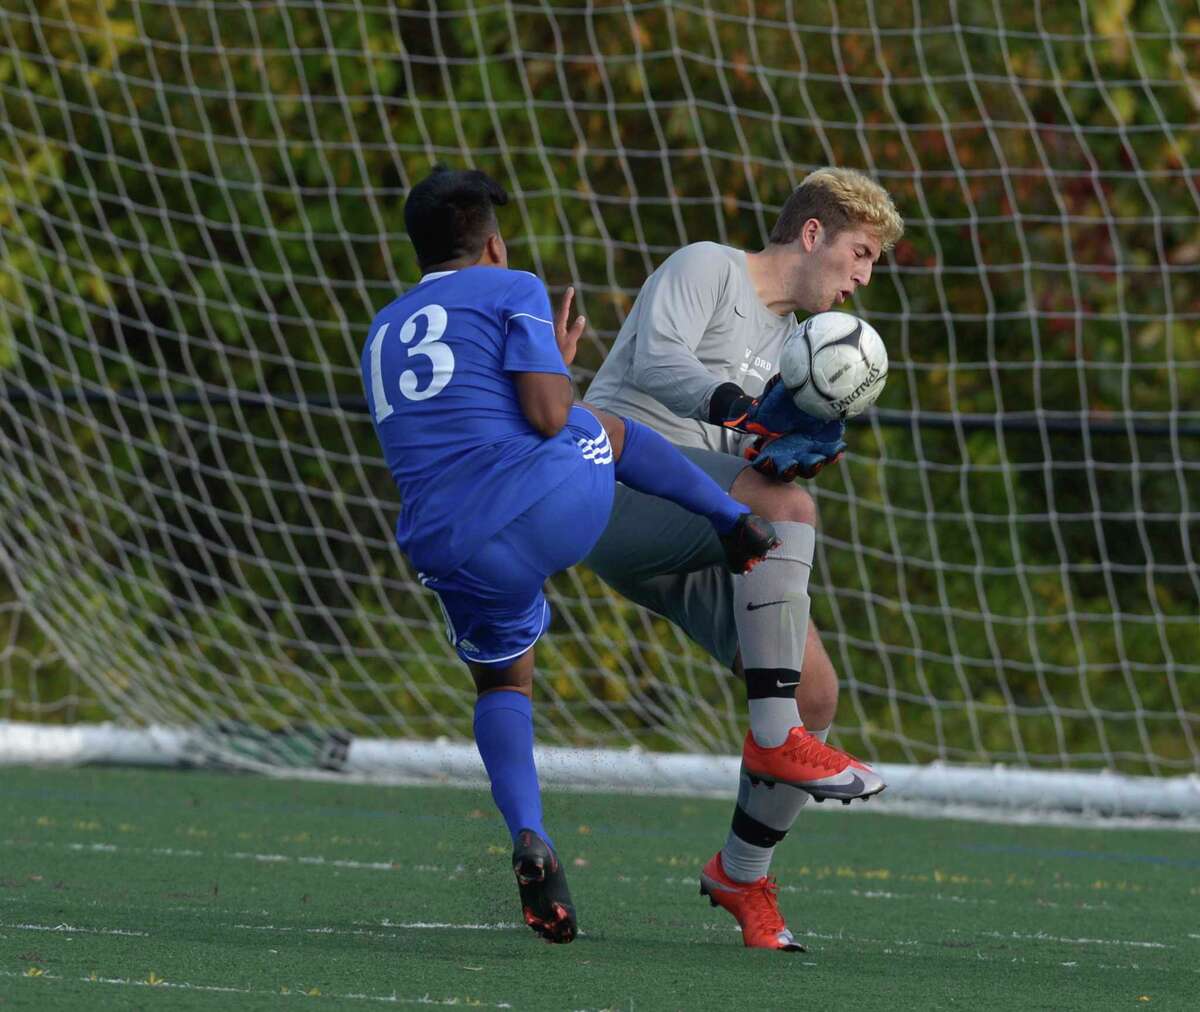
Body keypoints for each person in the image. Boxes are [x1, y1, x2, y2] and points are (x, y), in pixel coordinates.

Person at [361, 165, 780, 945]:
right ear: (494, 240)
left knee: (503, 680)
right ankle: (733, 521)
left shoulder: (382, 329)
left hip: (446, 548)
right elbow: (550, 414)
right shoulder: (512, 284)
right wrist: (554, 356)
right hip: (544, 511)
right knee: (605, 426)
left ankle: (529, 832)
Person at [584, 167, 905, 951]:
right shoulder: (707, 266)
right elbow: (658, 364)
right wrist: (742, 416)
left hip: (700, 527)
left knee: (817, 695)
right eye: (861, 254)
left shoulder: (797, 348)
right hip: (611, 489)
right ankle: (772, 734)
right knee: (784, 510)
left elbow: (759, 456)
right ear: (811, 234)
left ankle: (742, 873)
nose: (863, 279)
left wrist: (789, 447)